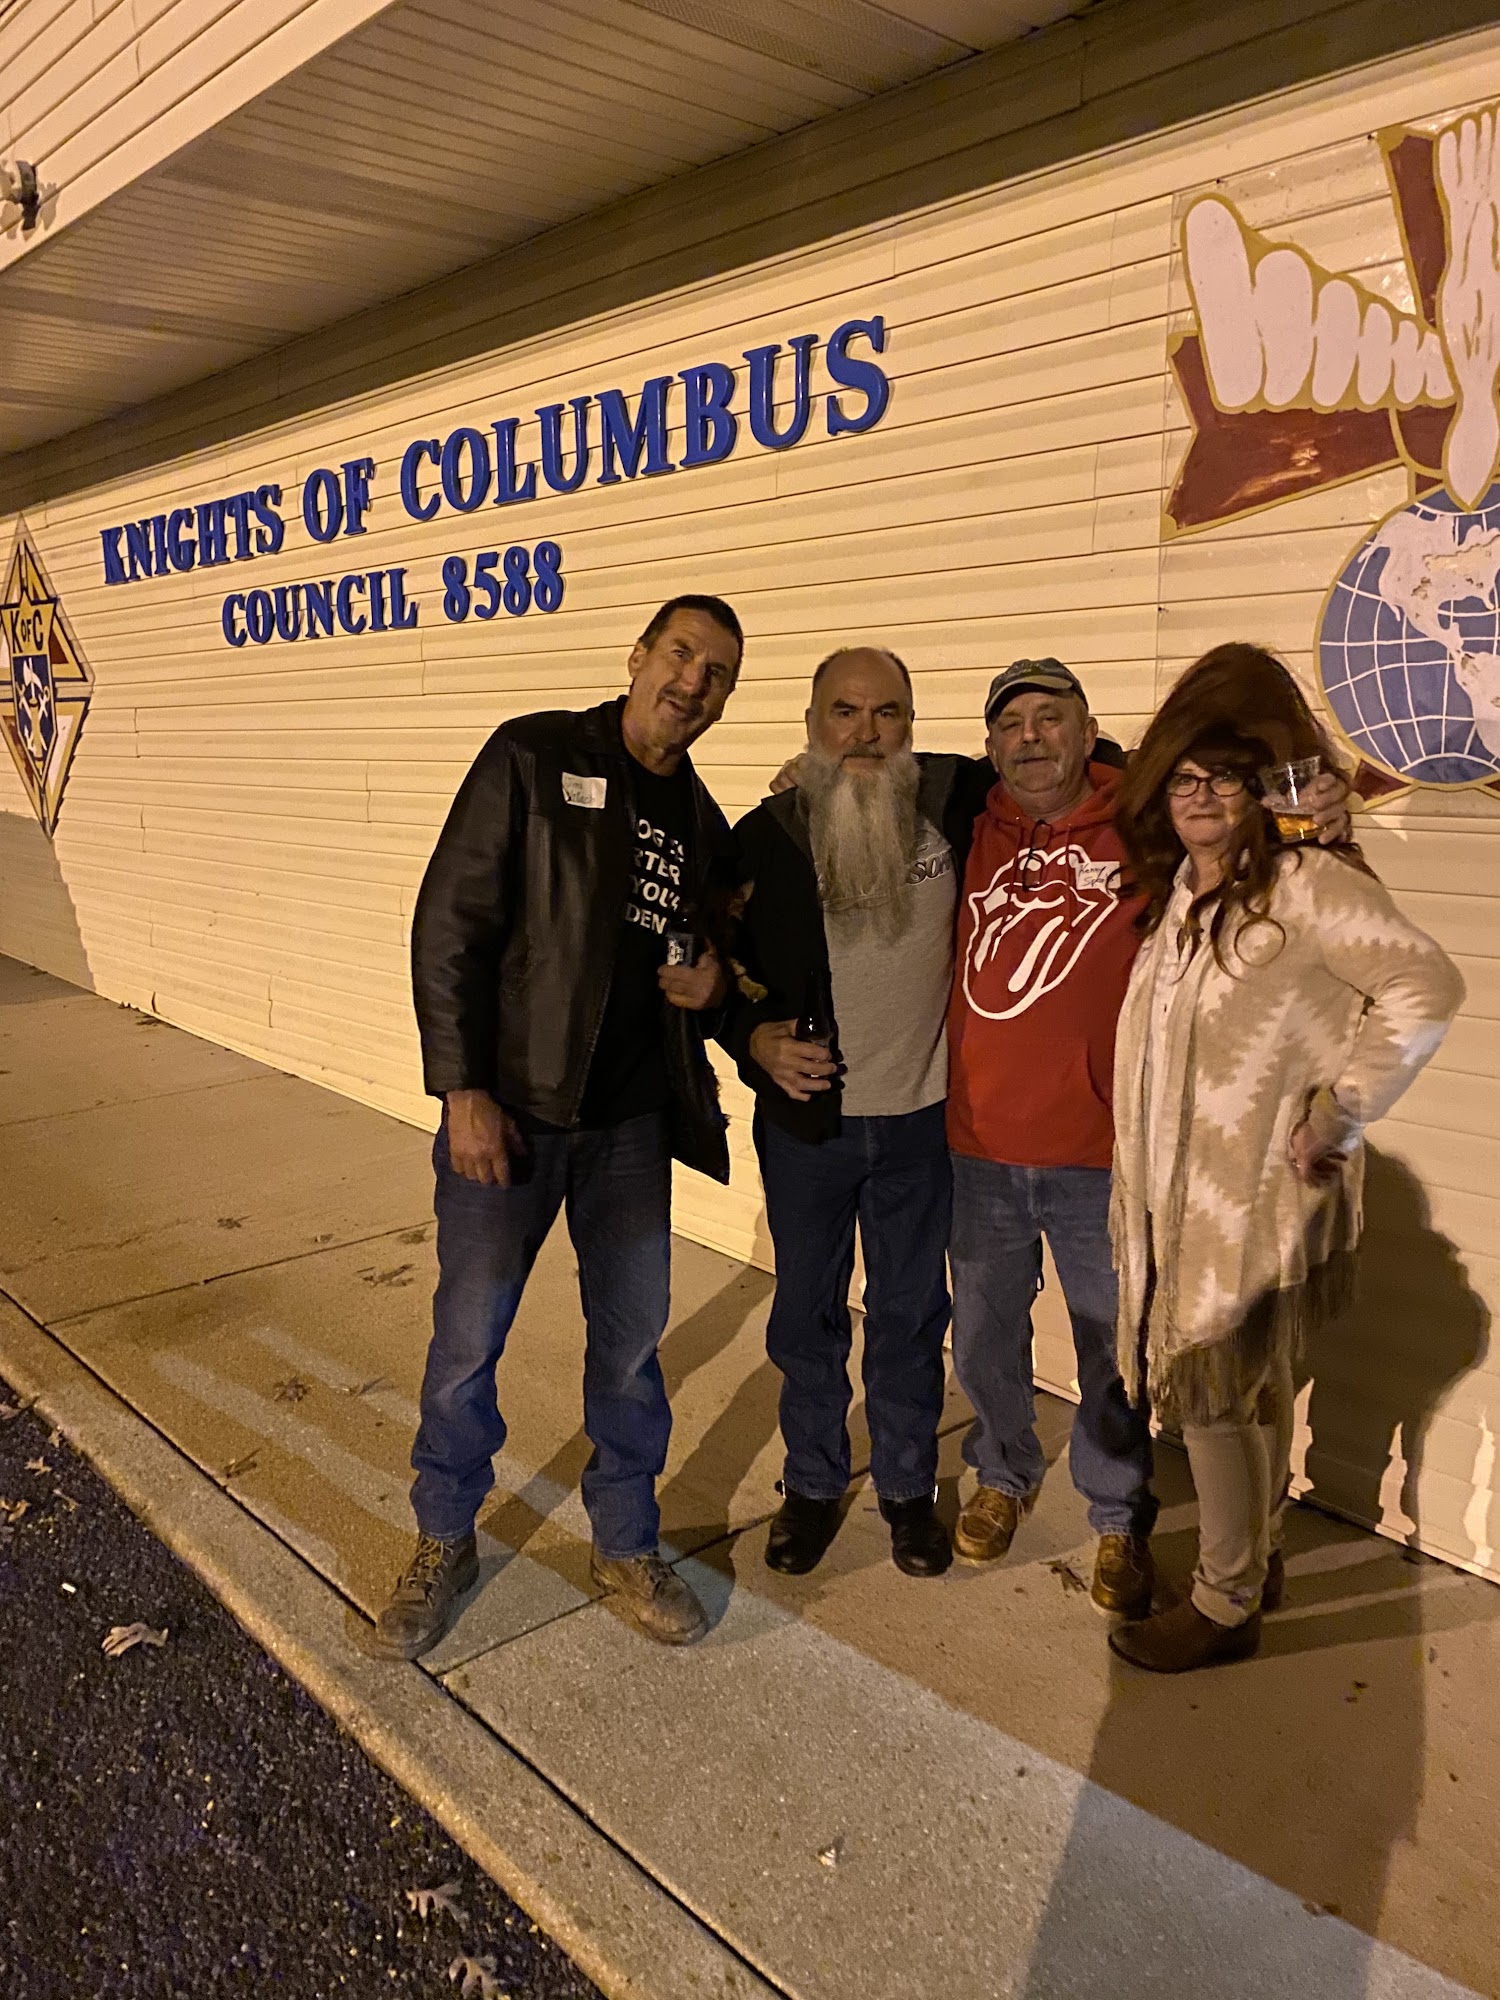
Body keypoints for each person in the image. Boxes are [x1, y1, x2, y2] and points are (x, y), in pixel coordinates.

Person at [371, 596, 744, 1659]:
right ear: (637, 655)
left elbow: (718, 967)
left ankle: (624, 1542)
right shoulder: (533, 756)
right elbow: (451, 921)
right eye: (680, 653)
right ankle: (444, 1536)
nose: (693, 681)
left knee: (630, 1349)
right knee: (467, 1342)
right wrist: (463, 1089)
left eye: (718, 672)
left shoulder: (704, 823)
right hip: (513, 1113)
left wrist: (718, 981)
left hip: (630, 1130)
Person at [944, 657, 1352, 1618]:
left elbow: (1252, 835)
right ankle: (1001, 1470)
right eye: (1012, 722)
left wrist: (1323, 809)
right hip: (978, 1147)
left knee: (1112, 1351)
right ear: (989, 744)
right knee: (985, 1336)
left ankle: (1119, 1512)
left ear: (1090, 733)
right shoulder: (963, 822)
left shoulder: (1145, 819)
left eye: (1052, 717)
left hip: (1107, 1155)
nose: (1031, 736)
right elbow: (868, 769)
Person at [1106, 646, 1463, 1672]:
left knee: (1216, 1397)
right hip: (1174, 1200)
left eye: (1225, 776)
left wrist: (1341, 1113)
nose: (1200, 796)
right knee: (1247, 1391)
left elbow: (1425, 987)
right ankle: (1253, 1559)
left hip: (1245, 1201)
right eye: (1183, 776)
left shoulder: (1306, 884)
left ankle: (1224, 1605)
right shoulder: (1182, 893)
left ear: (1263, 787)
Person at [723, 647, 998, 1578]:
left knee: (910, 1317)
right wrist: (750, 1040)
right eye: (845, 712)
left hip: (922, 1123)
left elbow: (1083, 761)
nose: (867, 732)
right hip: (809, 1129)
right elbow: (697, 961)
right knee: (806, 1320)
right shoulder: (765, 836)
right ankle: (810, 1484)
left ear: (912, 724)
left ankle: (907, 1491)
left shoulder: (955, 799)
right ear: (812, 724)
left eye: (888, 713)